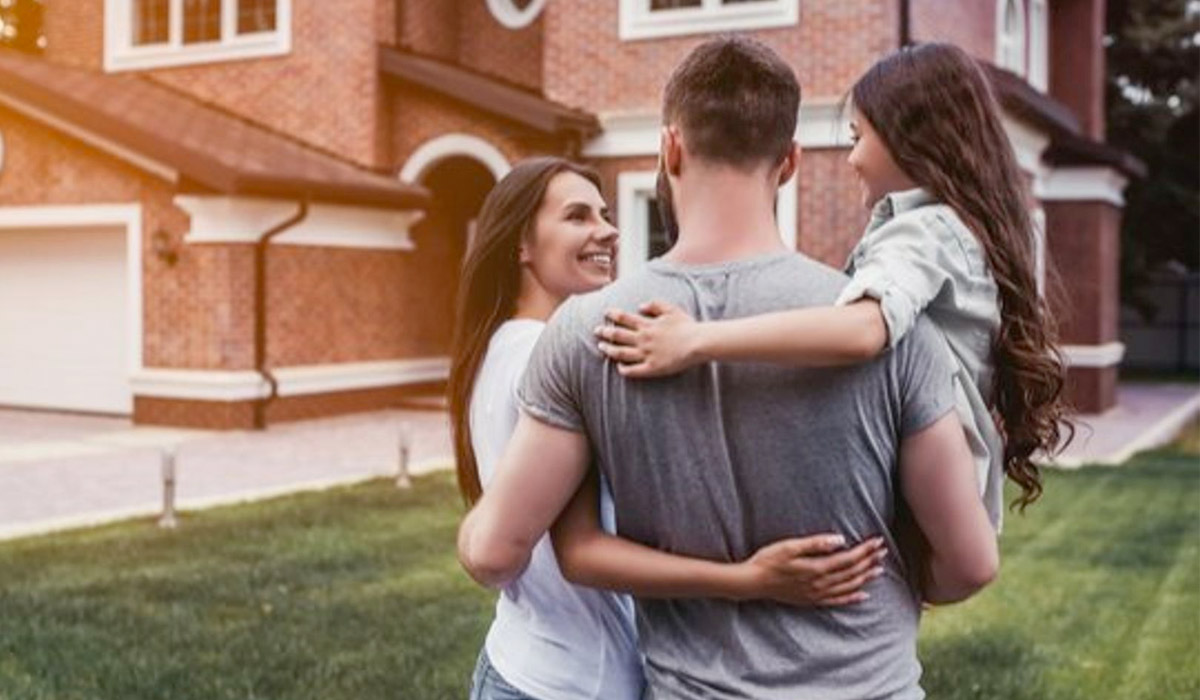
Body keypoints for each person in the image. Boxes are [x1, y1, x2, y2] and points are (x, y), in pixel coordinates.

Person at [459, 37, 998, 699]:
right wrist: (880, 592)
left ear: (670, 149)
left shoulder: (590, 332)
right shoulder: (894, 329)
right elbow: (969, 565)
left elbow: (498, 552)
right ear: (792, 162)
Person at [449, 157, 883, 700]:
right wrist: (748, 579)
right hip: (572, 682)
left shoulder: (497, 348)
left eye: (605, 214)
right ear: (521, 245)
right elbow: (512, 551)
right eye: (578, 216)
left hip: (520, 662)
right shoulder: (546, 355)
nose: (606, 229)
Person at [594, 42, 1072, 530]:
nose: (851, 158)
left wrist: (695, 341)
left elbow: (865, 330)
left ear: (913, 140)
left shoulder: (927, 232)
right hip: (947, 488)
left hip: (928, 488)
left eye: (857, 136)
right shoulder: (950, 229)